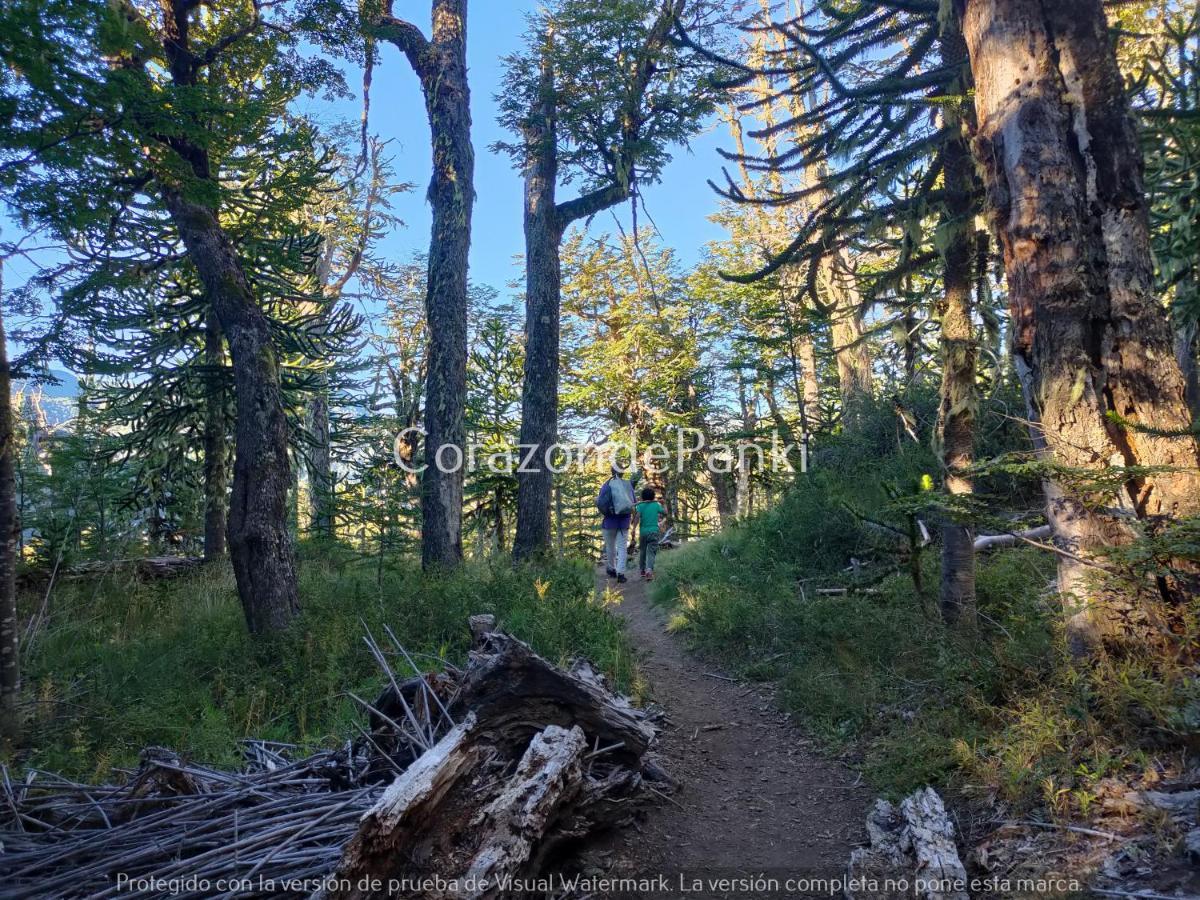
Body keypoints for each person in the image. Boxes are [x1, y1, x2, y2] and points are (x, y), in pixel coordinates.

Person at [597, 465, 636, 583]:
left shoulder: (606, 485)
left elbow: (600, 503)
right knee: (622, 548)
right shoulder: (628, 485)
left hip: (609, 522)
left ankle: (611, 569)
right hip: (623, 522)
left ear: (612, 472)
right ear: (623, 473)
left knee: (610, 548)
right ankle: (621, 573)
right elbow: (634, 503)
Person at [633, 487, 665, 580]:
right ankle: (649, 570)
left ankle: (642, 570)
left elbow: (637, 517)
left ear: (643, 497)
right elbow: (665, 513)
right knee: (651, 551)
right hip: (654, 532)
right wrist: (663, 504)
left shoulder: (640, 506)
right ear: (653, 497)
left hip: (643, 532)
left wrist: (634, 529)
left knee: (642, 551)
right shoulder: (656, 505)